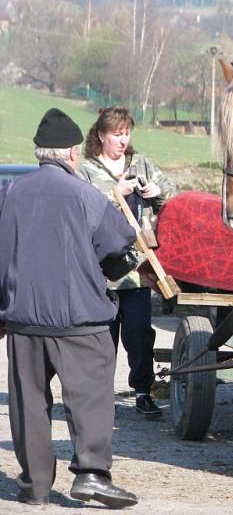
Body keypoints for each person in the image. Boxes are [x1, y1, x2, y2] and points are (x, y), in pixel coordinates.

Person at [0, 108, 139, 508]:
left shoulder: (11, 194)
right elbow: (118, 245)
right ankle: (92, 474)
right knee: (91, 394)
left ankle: (35, 485)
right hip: (79, 319)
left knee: (28, 402)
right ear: (74, 152)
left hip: (24, 319)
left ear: (40, 153)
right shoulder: (86, 195)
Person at [80, 105, 176, 418]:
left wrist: (157, 191)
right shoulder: (86, 169)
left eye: (127, 134)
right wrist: (113, 192)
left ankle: (143, 393)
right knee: (101, 337)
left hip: (138, 269)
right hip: (100, 270)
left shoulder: (141, 164)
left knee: (138, 334)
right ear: (100, 136)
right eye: (116, 134)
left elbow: (174, 197)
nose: (123, 140)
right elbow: (80, 207)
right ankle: (99, 397)